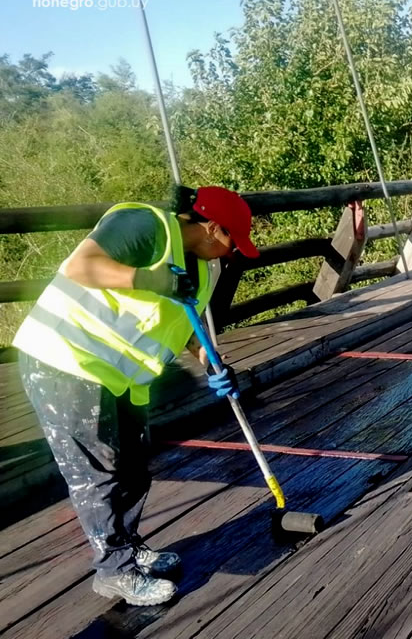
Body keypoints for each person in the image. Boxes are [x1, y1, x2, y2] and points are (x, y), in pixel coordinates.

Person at [13, 186, 260, 606]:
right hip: (66, 358)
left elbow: (184, 321)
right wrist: (147, 277)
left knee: (133, 467)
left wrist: (211, 361)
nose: (231, 254)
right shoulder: (144, 225)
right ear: (214, 229)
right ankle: (114, 570)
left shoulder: (200, 268)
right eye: (231, 244)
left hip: (121, 376)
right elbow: (80, 266)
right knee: (98, 472)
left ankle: (128, 546)